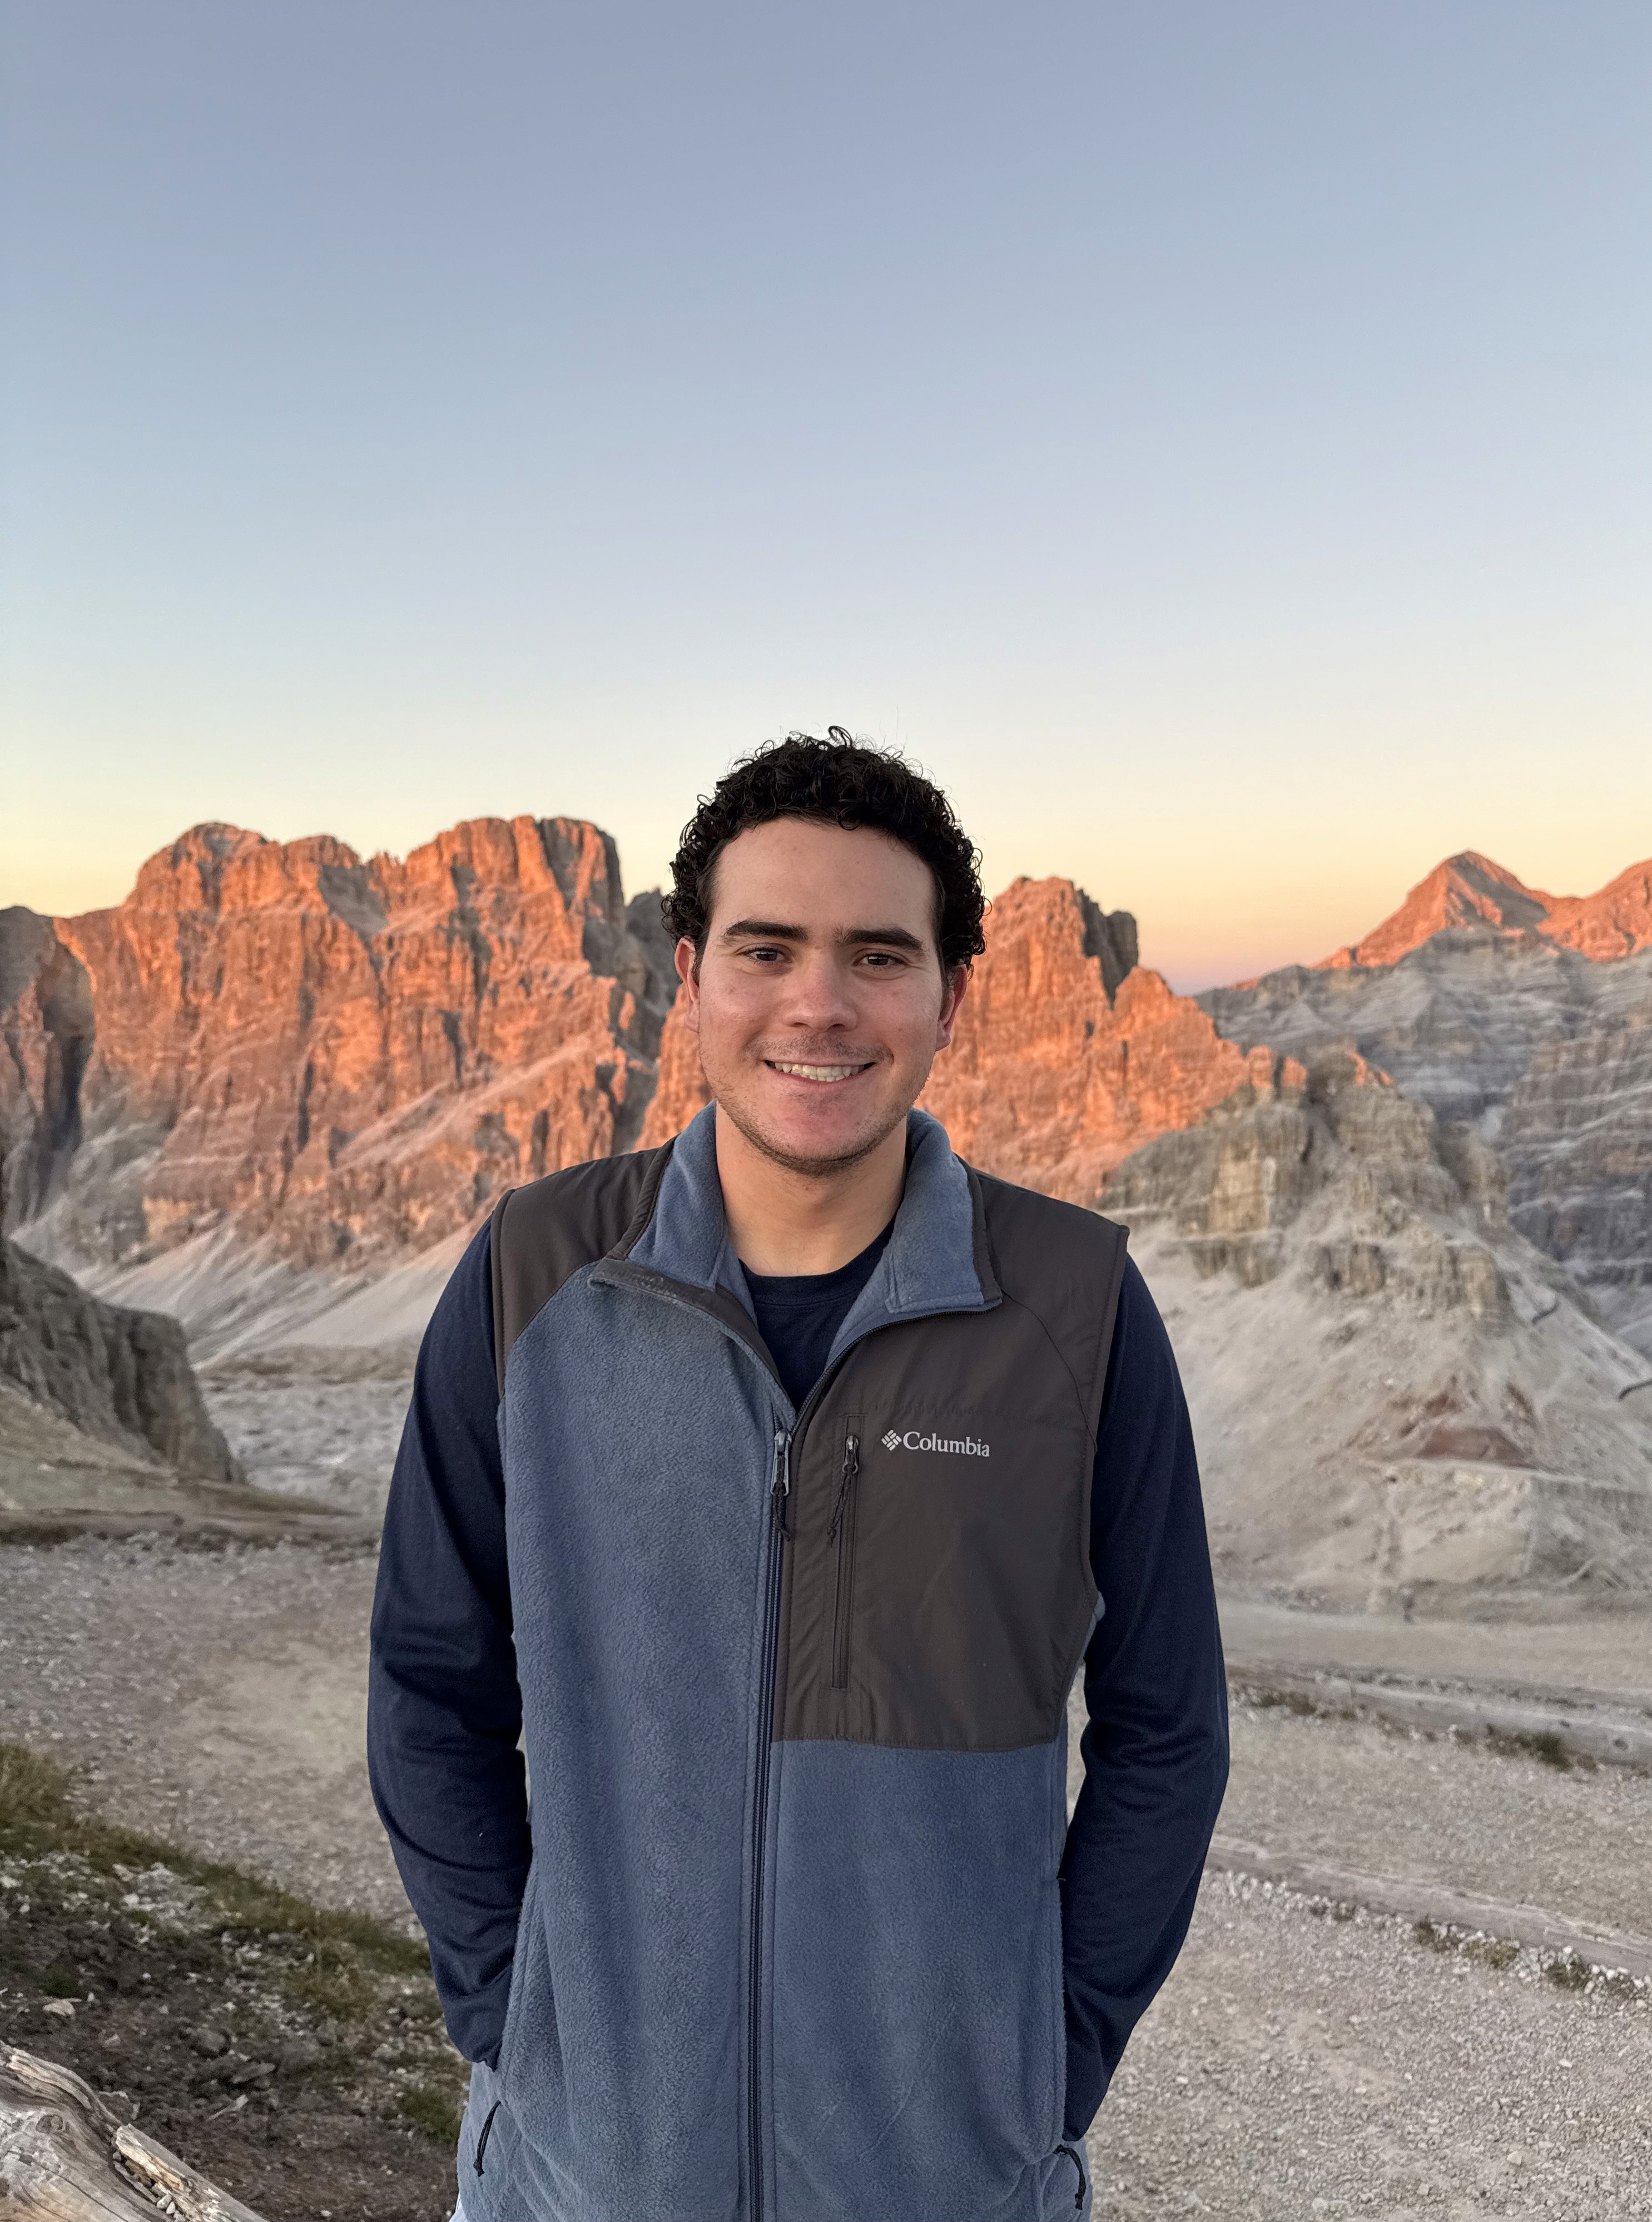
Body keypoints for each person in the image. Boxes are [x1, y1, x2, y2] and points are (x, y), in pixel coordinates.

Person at [368, 729, 1229, 2222]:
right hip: (579, 2192)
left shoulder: (1077, 1306)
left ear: (954, 996)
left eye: (878, 956)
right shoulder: (530, 1275)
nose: (819, 1005)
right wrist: (525, 2030)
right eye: (767, 949)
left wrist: (1048, 2062)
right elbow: (428, 1689)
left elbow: (1168, 1733)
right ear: (688, 972)